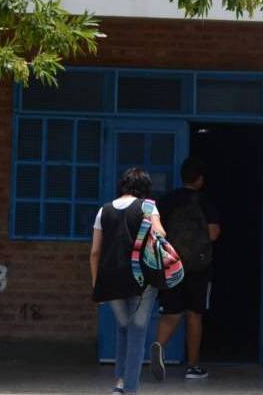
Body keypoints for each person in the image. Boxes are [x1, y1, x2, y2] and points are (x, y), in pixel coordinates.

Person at [91, 168, 166, 395]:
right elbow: (160, 234)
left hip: (111, 279)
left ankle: (120, 384)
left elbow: (95, 252)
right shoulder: (147, 206)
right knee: (137, 332)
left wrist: (96, 284)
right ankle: (130, 389)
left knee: (123, 328)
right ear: (144, 188)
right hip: (141, 280)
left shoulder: (103, 210)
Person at [150, 157, 222, 381]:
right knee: (194, 315)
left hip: (172, 265)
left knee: (171, 313)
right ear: (200, 179)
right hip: (199, 268)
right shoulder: (204, 201)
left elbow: (155, 231)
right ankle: (193, 366)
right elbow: (213, 234)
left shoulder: (166, 200)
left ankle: (159, 346)